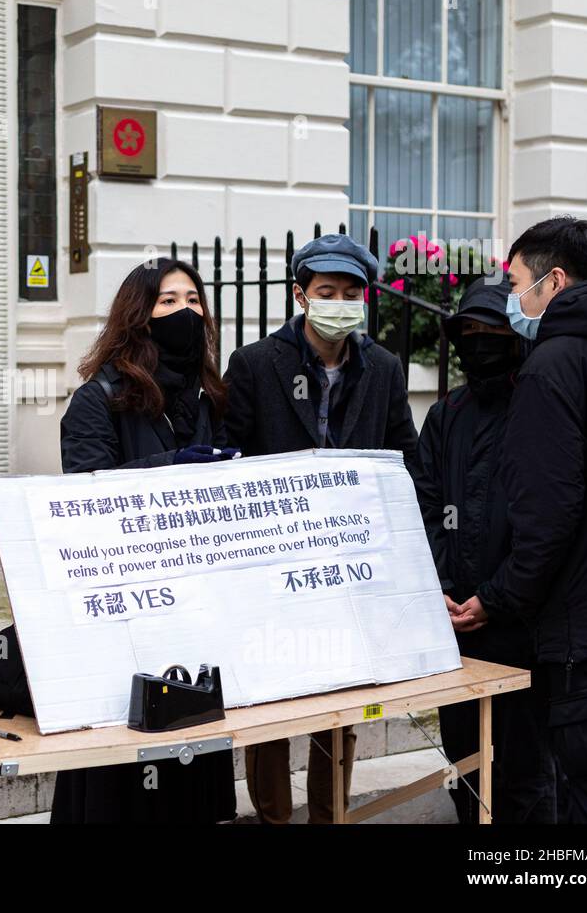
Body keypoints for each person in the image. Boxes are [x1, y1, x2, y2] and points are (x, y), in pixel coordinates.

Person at [452, 216, 587, 824]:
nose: (511, 301)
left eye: (515, 284)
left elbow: (546, 517)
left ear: (555, 280)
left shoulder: (555, 364)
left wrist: (497, 597)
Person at [222, 232, 419, 823]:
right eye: (326, 290)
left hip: (351, 561)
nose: (339, 301)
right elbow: (232, 454)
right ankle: (275, 815)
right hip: (273, 556)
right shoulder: (255, 362)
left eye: (351, 291)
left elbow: (401, 450)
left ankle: (330, 814)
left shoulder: (382, 365)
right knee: (274, 695)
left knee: (345, 695)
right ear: (300, 294)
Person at [52, 256, 236, 823]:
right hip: (127, 605)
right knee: (122, 761)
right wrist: (171, 468)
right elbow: (85, 499)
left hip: (196, 603)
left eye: (192, 300)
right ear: (139, 315)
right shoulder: (97, 398)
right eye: (167, 301)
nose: (185, 311)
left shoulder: (211, 395)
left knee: (193, 741)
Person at [412, 275, 556, 824]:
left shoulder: (543, 405)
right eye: (467, 331)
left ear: (514, 335)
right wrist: (446, 591)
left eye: (491, 330)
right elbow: (423, 505)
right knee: (464, 759)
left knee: (526, 768)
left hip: (523, 623)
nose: (479, 341)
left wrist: (496, 597)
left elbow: (549, 521)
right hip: (456, 623)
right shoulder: (447, 412)